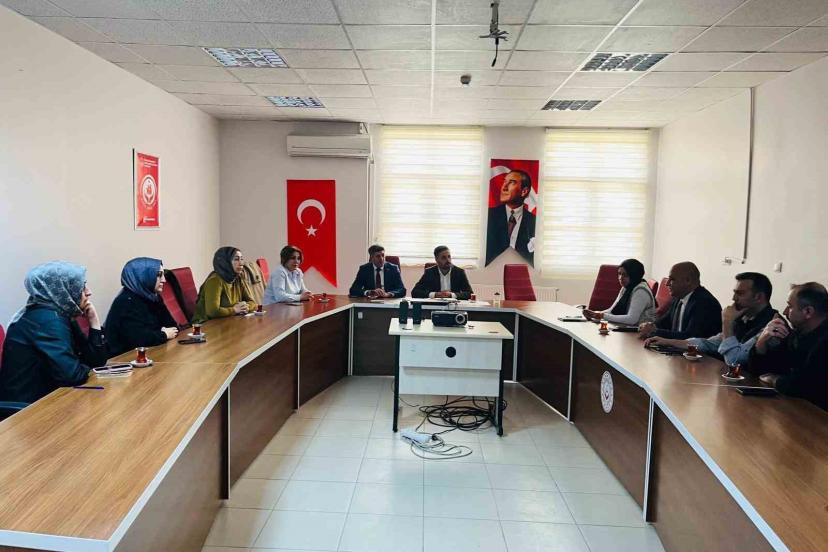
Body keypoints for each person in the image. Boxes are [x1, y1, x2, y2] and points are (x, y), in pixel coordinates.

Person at [0, 262, 107, 403]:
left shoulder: (60, 314)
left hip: (49, 398)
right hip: (28, 409)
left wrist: (94, 320)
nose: (88, 292)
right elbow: (72, 376)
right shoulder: (48, 321)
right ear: (62, 289)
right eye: (81, 287)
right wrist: (82, 366)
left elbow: (96, 362)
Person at [644, 272, 776, 366]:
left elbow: (734, 361)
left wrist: (727, 323)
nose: (733, 298)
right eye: (734, 293)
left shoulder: (771, 325)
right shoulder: (744, 317)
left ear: (758, 297)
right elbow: (708, 344)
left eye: (740, 293)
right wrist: (668, 342)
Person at [749, 282, 828, 410]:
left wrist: (775, 380)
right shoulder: (797, 334)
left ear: (808, 311)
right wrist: (761, 342)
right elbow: (760, 371)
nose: (785, 312)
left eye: (790, 306)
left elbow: (808, 387)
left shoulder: (824, 342)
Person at [104, 257, 179, 356]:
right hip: (124, 359)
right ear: (143, 276)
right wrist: (163, 334)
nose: (164, 280)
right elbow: (138, 340)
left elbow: (173, 327)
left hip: (149, 354)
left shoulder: (153, 297)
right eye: (159, 275)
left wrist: (159, 334)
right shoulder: (126, 302)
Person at [639, 261, 721, 340]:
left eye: (672, 279)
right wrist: (649, 326)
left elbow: (690, 338)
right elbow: (665, 322)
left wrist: (654, 332)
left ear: (688, 281)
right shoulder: (679, 297)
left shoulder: (705, 303)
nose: (667, 283)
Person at [485, 170, 536, 265]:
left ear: (524, 191)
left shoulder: (534, 222)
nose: (504, 187)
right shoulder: (488, 216)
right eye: (504, 182)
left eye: (511, 182)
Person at [583, 259, 655, 326]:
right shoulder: (626, 287)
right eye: (619, 274)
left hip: (640, 331)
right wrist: (594, 314)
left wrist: (602, 316)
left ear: (634, 275)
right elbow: (611, 311)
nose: (620, 278)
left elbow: (632, 319)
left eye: (625, 275)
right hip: (626, 328)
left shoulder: (641, 291)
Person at [193, 247, 257, 321]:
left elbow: (252, 302)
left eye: (241, 259)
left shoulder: (238, 278)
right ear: (225, 262)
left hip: (228, 320)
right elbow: (212, 312)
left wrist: (246, 307)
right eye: (236, 259)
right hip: (206, 324)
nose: (241, 263)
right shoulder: (215, 281)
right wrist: (234, 310)